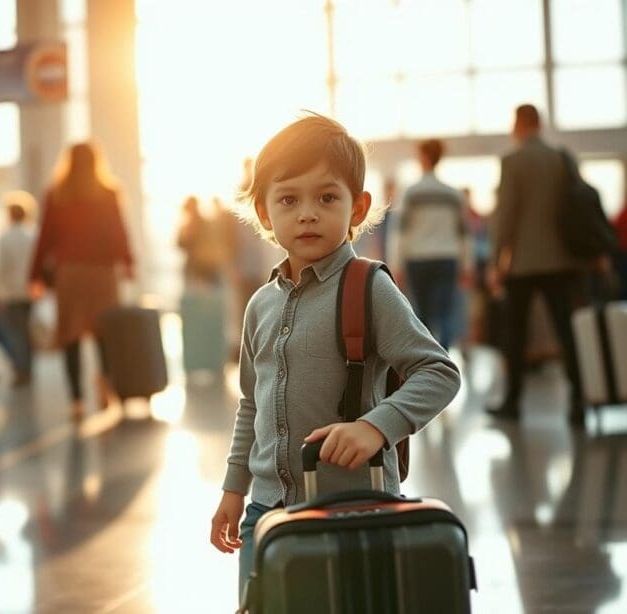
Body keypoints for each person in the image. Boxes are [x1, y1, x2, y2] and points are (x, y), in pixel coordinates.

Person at [207, 113, 461, 601]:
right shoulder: (261, 304)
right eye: (288, 199)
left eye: (327, 198)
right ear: (264, 213)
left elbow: (439, 371)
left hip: (352, 505)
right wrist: (233, 489)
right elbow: (250, 406)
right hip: (266, 512)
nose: (307, 213)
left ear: (357, 206)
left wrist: (376, 425)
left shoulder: (368, 287)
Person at [487, 104, 584, 425]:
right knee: (566, 331)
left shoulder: (513, 161)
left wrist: (498, 259)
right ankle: (579, 400)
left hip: (524, 263)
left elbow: (507, 215)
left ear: (519, 123)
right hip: (560, 260)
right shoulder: (560, 158)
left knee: (515, 333)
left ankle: (513, 402)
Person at [30, 142, 134, 421]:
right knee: (104, 334)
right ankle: (106, 386)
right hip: (102, 272)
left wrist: (36, 275)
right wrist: (128, 263)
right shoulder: (108, 193)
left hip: (70, 273)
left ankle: (76, 399)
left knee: (70, 336)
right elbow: (119, 231)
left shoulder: (57, 194)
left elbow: (45, 238)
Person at [391, 139, 472, 350]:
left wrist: (396, 264)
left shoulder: (411, 193)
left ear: (423, 157)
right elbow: (464, 234)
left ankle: (429, 365)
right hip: (447, 258)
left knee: (422, 316)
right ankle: (444, 359)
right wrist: (467, 264)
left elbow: (400, 233)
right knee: (445, 313)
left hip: (418, 260)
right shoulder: (453, 195)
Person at [0, 192, 37, 386]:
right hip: (30, 292)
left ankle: (21, 369)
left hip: (12, 293)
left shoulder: (6, 238)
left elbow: (1, 268)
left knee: (16, 333)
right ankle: (28, 368)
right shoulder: (33, 235)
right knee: (27, 332)